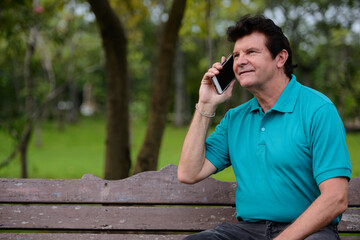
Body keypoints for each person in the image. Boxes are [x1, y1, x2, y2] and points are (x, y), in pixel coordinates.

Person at [177, 15, 352, 240]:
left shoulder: (318, 110)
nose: (240, 61)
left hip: (310, 232)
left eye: (251, 52)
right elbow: (188, 173)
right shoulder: (235, 119)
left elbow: (336, 198)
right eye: (236, 55)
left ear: (280, 58)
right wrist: (205, 104)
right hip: (247, 231)